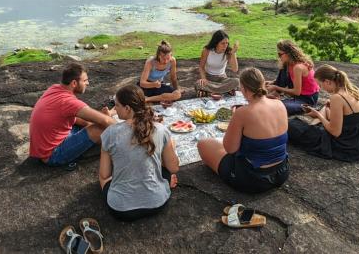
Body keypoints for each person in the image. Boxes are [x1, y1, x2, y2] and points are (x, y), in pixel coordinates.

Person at [197, 68, 289, 193]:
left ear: (244, 89)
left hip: (254, 179)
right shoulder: (279, 104)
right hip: (282, 172)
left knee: (203, 144)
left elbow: (230, 149)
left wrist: (235, 121)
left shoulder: (243, 113)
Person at [99, 84, 180, 221]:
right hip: (157, 203)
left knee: (103, 178)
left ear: (127, 108)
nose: (115, 109)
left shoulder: (110, 133)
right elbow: (174, 167)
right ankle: (164, 182)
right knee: (162, 168)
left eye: (117, 105)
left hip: (121, 209)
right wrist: (170, 144)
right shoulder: (161, 129)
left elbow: (105, 174)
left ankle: (159, 182)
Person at [29, 63, 116, 166]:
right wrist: (133, 131)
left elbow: (77, 118)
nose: (88, 83)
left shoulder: (55, 88)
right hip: (52, 154)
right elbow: (105, 121)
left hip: (44, 148)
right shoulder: (68, 102)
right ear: (74, 83)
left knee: (87, 121)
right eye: (85, 81)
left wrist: (105, 115)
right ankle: (123, 146)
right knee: (99, 129)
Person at [288, 64, 359, 161]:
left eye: (320, 85)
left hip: (348, 144)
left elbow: (335, 132)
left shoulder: (337, 98)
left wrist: (318, 114)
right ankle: (315, 124)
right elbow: (350, 117)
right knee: (325, 108)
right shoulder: (354, 89)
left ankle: (314, 124)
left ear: (328, 82)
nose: (321, 88)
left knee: (291, 125)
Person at [267, 40, 320, 115]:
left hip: (307, 99)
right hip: (298, 95)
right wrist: (274, 82)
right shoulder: (289, 64)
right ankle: (276, 94)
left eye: (280, 54)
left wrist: (276, 87)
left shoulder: (298, 67)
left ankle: (278, 95)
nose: (278, 57)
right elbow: (290, 78)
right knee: (284, 67)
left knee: (277, 107)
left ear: (288, 53)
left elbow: (296, 92)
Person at [195, 30, 240, 97]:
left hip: (222, 79)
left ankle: (211, 92)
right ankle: (224, 91)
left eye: (227, 43)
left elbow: (235, 69)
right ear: (216, 43)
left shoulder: (228, 52)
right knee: (198, 84)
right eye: (223, 43)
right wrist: (204, 78)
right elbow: (201, 67)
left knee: (236, 81)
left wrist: (233, 53)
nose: (225, 46)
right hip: (208, 78)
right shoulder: (206, 51)